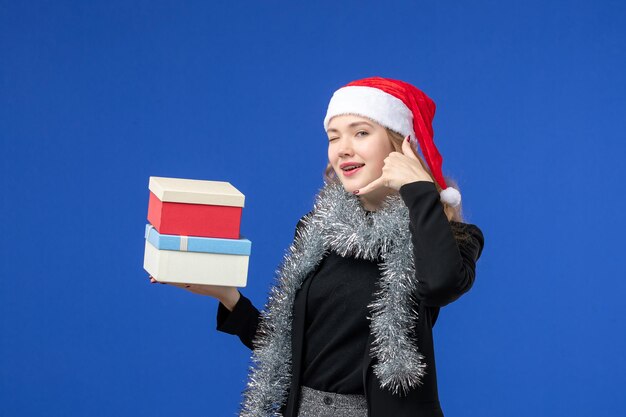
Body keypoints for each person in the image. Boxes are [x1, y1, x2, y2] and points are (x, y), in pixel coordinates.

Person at [150, 76, 485, 417]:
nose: (343, 148)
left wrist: (419, 191)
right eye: (333, 137)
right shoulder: (317, 230)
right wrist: (228, 298)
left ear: (402, 145)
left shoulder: (450, 236)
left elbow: (441, 284)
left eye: (361, 132)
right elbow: (289, 354)